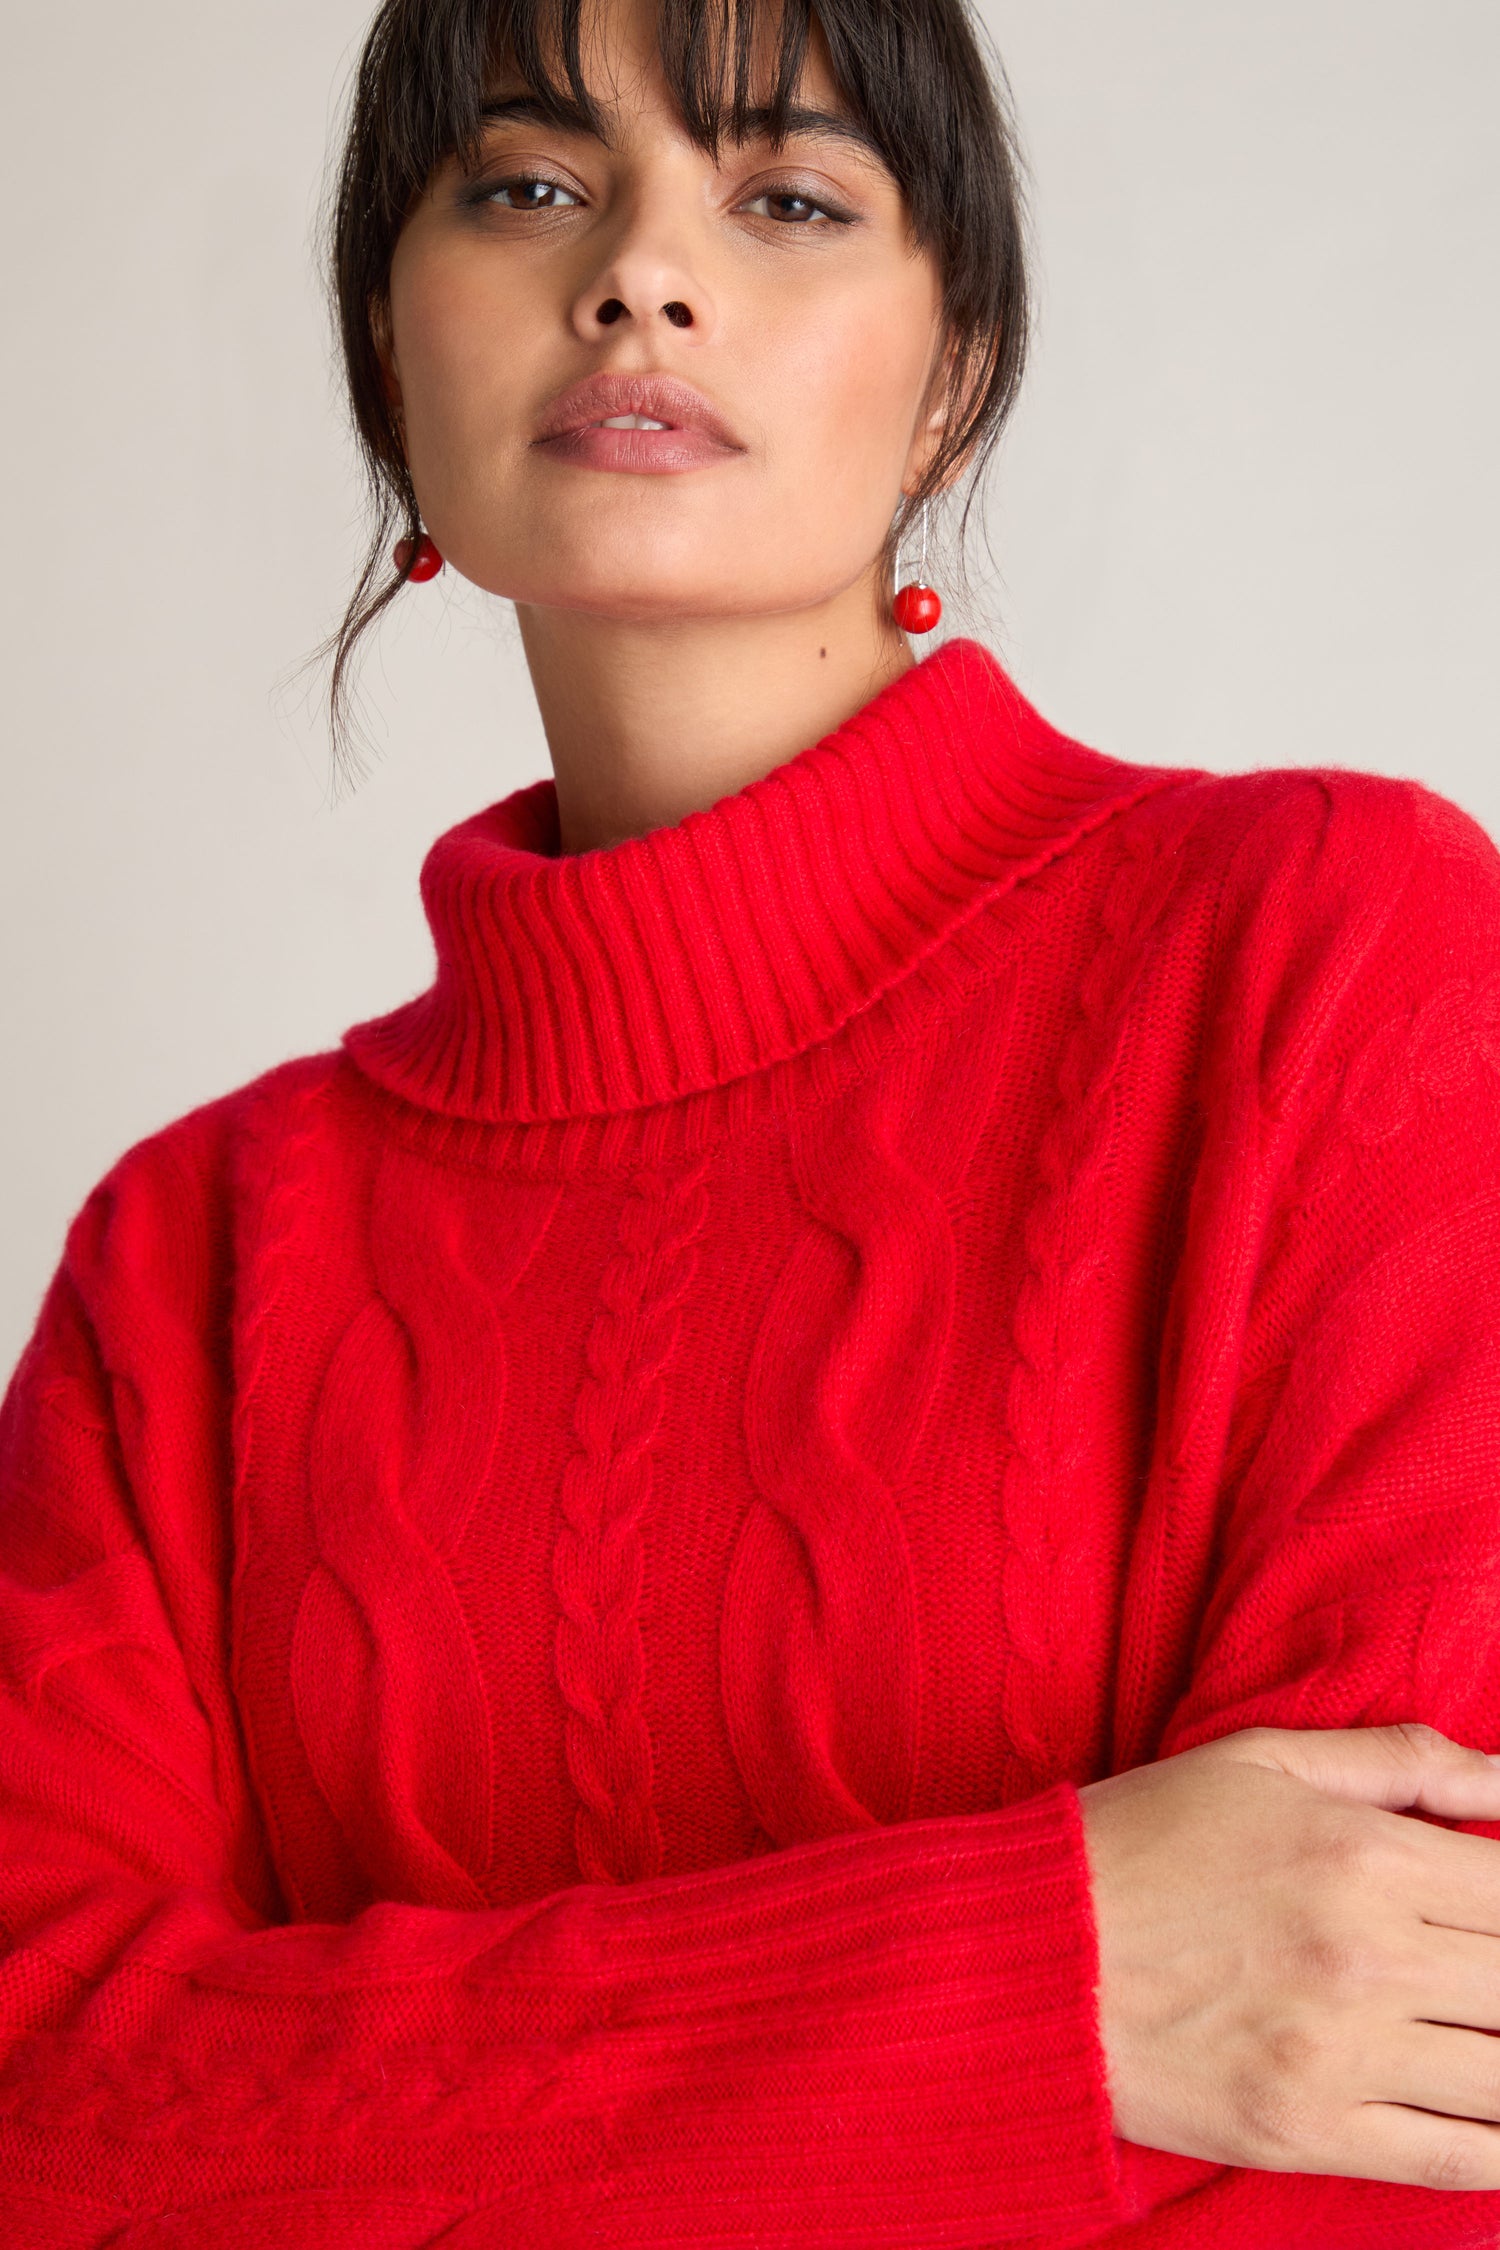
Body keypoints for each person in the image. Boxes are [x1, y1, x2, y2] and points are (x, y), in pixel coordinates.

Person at [3, 0, 1500, 2240]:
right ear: (391, 356)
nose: (637, 273)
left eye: (787, 197)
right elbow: (44, 2106)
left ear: (958, 369)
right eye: (526, 185)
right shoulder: (197, 1252)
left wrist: (360, 2115)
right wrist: (1040, 1990)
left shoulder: (1327, 955)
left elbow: (1396, 2055)